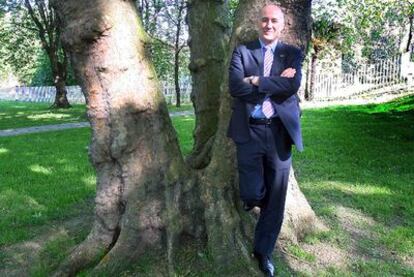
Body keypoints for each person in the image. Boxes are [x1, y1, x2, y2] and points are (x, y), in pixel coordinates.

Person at [227, 4, 303, 276]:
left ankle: (263, 252)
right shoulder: (242, 51)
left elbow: (292, 86)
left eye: (274, 21)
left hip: (280, 134)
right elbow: (236, 87)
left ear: (282, 25)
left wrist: (258, 79)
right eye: (265, 20)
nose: (269, 25)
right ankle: (254, 200)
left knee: (277, 199)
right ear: (259, 23)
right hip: (249, 132)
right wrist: (273, 83)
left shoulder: (292, 53)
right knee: (251, 193)